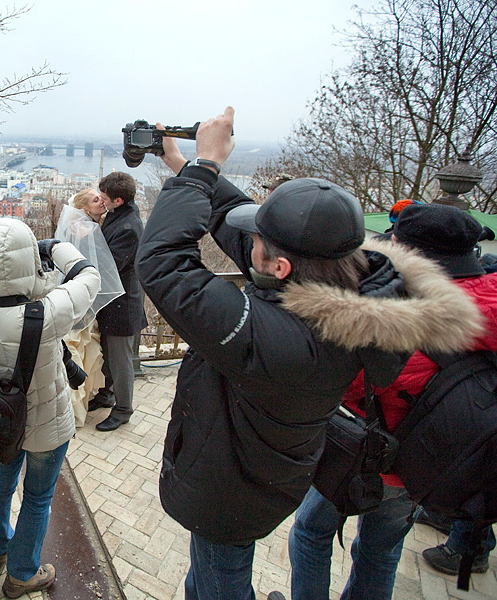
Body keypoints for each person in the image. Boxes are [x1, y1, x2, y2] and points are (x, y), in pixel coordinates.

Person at [135, 107, 483, 600]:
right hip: (269, 472)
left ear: (279, 266)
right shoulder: (348, 290)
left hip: (229, 489)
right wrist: (185, 165)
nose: (248, 244)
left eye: (258, 240)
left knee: (219, 580)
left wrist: (204, 168)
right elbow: (243, 233)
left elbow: (164, 265)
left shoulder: (284, 341)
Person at [288, 201, 496, 599]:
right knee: (381, 553)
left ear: (410, 252)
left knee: (311, 533)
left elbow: (344, 383)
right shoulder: (489, 299)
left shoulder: (405, 318)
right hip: (430, 464)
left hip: (366, 456)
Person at [0, 218, 100, 598]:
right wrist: (54, 247)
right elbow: (89, 276)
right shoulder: (47, 313)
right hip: (47, 425)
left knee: (1, 483)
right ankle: (23, 573)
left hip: (3, 421)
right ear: (28, 260)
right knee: (37, 498)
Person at [89, 172, 148, 432]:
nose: (101, 200)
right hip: (111, 301)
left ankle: (123, 409)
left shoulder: (128, 228)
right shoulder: (119, 214)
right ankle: (107, 394)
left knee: (121, 361)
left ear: (119, 200)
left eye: (104, 197)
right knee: (108, 355)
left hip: (122, 304)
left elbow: (109, 266)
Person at [62, 187, 112, 426]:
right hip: (83, 298)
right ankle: (77, 404)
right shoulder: (88, 230)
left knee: (79, 348)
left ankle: (76, 403)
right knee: (80, 348)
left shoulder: (77, 228)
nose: (101, 202)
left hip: (78, 297)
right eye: (95, 200)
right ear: (84, 209)